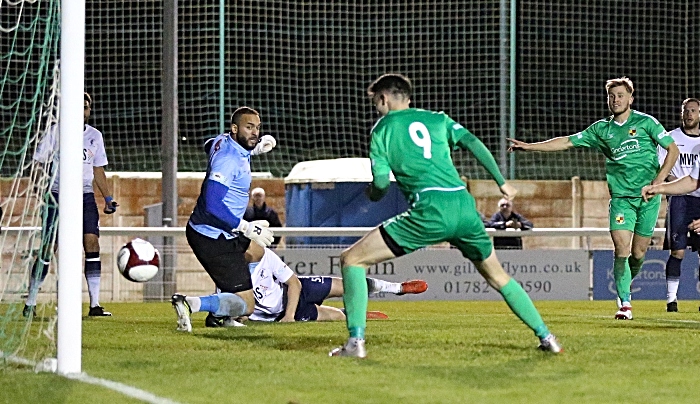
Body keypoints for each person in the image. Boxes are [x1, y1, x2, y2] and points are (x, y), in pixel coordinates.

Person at [330, 73, 562, 358]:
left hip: (430, 209)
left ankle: (355, 343)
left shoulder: (382, 130)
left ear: (383, 98)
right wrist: (501, 181)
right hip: (465, 208)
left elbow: (380, 184)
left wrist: (372, 195)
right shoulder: (438, 119)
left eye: (376, 102)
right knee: (499, 277)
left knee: (352, 260)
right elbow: (474, 143)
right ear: (409, 97)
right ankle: (548, 338)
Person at [509, 77, 680, 320]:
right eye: (611, 96)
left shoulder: (646, 123)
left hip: (649, 199)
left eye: (620, 95)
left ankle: (626, 284)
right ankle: (625, 304)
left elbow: (673, 150)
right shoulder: (601, 129)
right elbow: (567, 141)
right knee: (621, 248)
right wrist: (529, 146)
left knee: (639, 253)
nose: (615, 100)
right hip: (621, 199)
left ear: (631, 98)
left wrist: (659, 180)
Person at [170, 106, 277, 332]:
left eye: (257, 128)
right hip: (212, 235)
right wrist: (245, 227)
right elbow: (212, 204)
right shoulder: (229, 161)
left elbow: (208, 144)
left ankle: (226, 313)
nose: (255, 133)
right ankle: (192, 304)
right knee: (248, 305)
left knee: (256, 252)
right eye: (249, 127)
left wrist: (254, 150)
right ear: (235, 128)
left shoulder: (224, 142)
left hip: (223, 230)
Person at [23, 92, 119, 318]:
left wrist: (107, 198)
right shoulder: (56, 132)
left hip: (84, 196)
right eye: (80, 106)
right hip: (57, 195)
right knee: (48, 248)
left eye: (86, 107)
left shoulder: (95, 136)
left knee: (92, 243)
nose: (84, 111)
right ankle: (31, 301)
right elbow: (38, 163)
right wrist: (40, 188)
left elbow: (98, 169)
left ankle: (95, 304)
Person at [216, 247, 428, 324]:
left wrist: (289, 316)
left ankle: (397, 288)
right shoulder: (226, 281)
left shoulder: (263, 256)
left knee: (348, 285)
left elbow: (294, 283)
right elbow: (238, 315)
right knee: (335, 317)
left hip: (296, 292)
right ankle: (357, 314)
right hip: (282, 314)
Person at [653, 98, 700, 312]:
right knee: (677, 251)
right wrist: (673, 187)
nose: (689, 114)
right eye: (685, 111)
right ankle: (671, 300)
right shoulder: (671, 139)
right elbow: (664, 170)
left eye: (693, 110)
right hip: (679, 199)